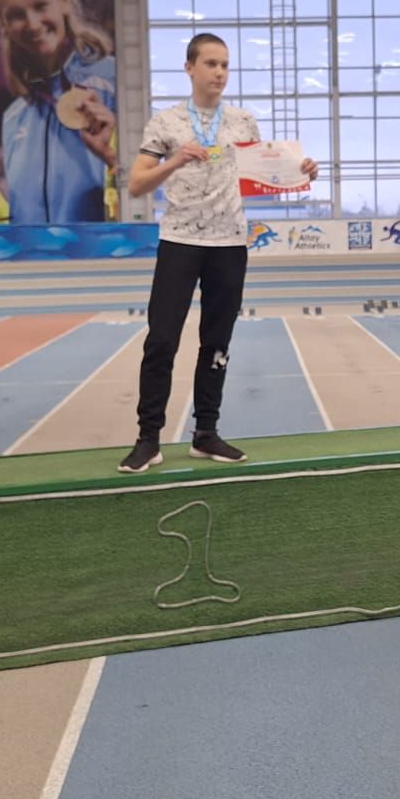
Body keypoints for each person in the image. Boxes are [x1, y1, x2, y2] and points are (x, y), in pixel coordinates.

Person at [118, 33, 319, 474]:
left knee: (217, 342)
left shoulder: (243, 122)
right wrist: (174, 161)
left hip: (229, 244)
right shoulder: (166, 123)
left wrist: (301, 172)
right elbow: (135, 184)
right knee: (161, 340)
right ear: (189, 68)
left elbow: (267, 177)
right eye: (210, 63)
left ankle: (205, 432)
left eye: (225, 64)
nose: (220, 72)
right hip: (180, 241)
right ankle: (148, 439)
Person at [0, 0, 118, 223]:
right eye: (16, 15)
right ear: (4, 26)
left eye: (40, 6)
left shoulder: (114, 82)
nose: (32, 23)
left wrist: (112, 157)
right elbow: (15, 214)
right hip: (32, 251)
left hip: (104, 248)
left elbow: (153, 184)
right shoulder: (13, 117)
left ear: (64, 0)